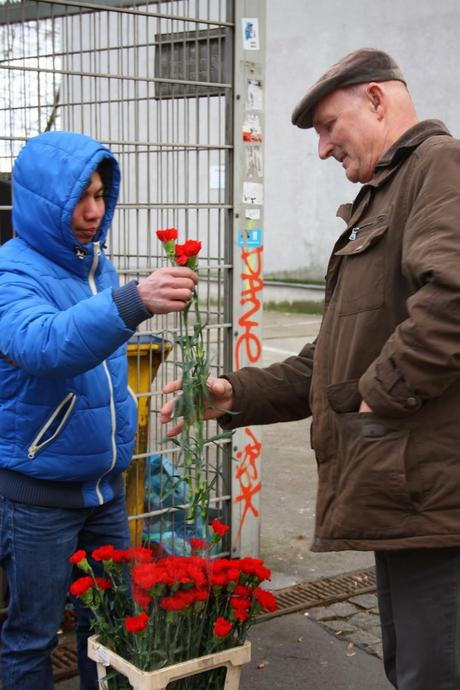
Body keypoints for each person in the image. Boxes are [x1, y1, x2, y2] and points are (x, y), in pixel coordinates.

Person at [161, 48, 460, 690]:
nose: (322, 149)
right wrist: (232, 394)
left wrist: (382, 393)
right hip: (408, 499)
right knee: (412, 667)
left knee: (433, 672)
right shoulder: (385, 196)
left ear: (377, 100)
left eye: (328, 125)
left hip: (437, 500)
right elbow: (330, 361)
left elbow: (455, 296)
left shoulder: (438, 168)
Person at [0, 130, 197, 690]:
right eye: (79, 198)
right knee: (33, 636)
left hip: (104, 489)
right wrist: (133, 301)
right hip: (38, 494)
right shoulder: (10, 272)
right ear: (44, 202)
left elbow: (99, 357)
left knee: (108, 626)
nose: (94, 211)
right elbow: (44, 344)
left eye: (101, 195)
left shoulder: (96, 266)